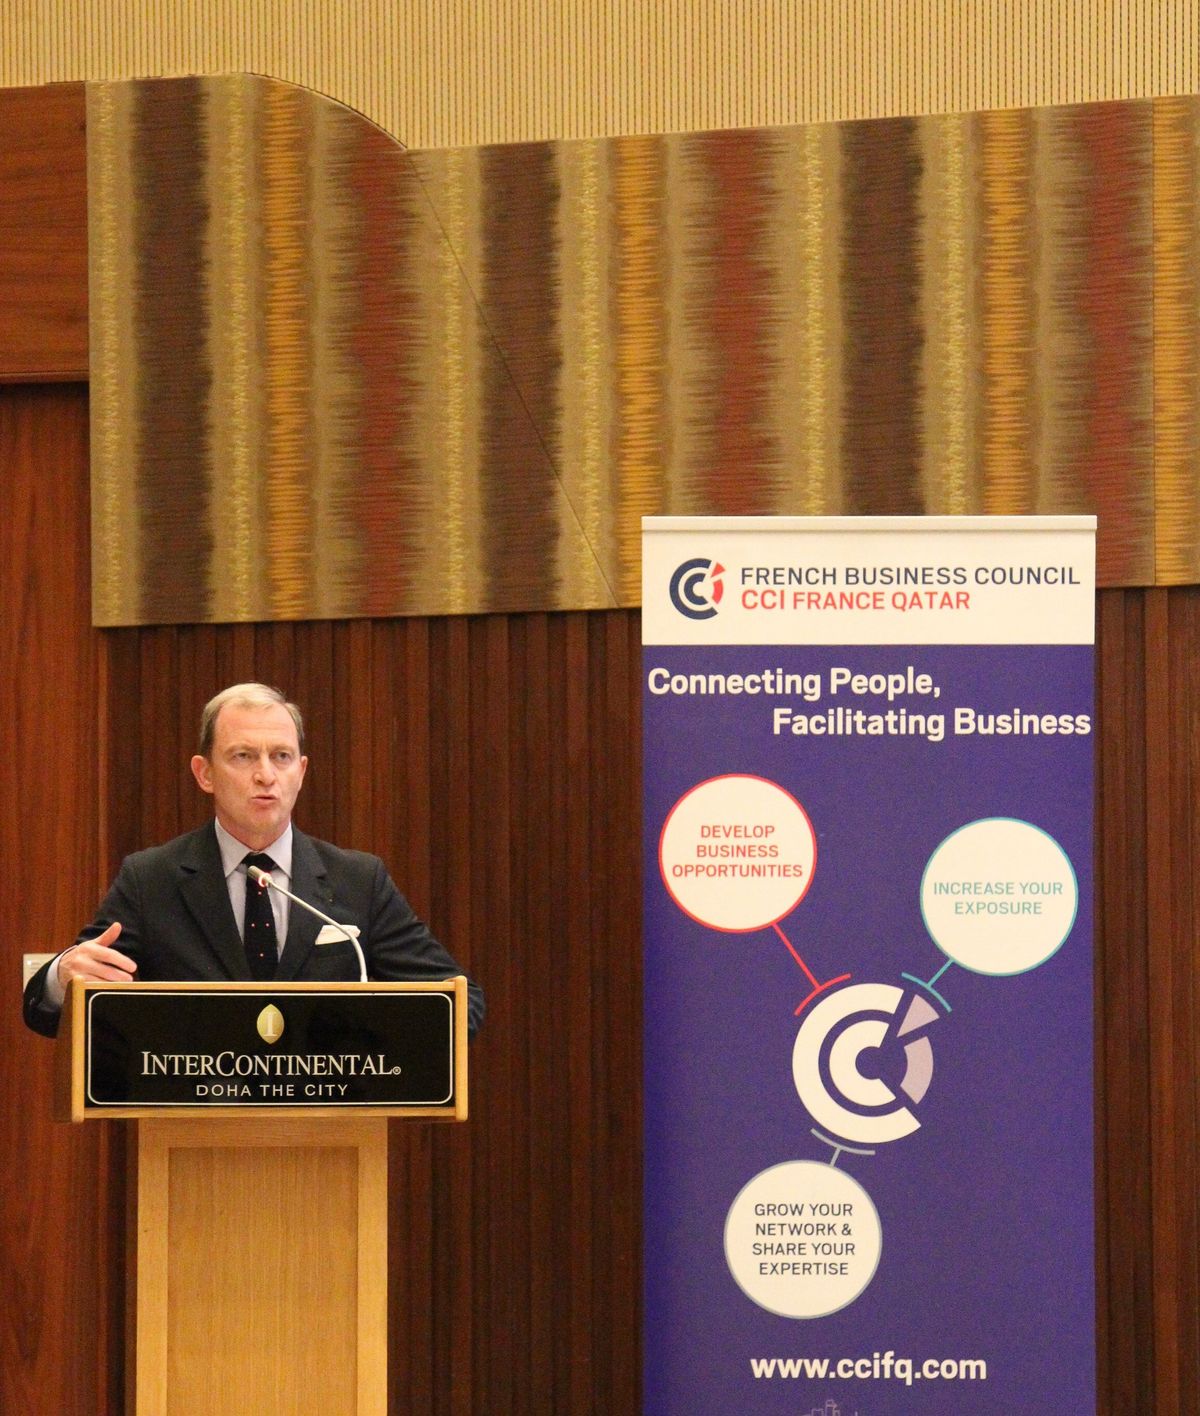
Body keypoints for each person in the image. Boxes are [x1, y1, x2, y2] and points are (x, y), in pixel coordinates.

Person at [23, 682, 484, 1038]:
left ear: (301, 772)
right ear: (205, 773)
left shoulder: (358, 881)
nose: (265, 775)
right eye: (243, 756)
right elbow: (47, 1010)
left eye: (281, 756)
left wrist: (362, 1037)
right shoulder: (151, 880)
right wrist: (63, 977)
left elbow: (461, 1006)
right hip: (195, 1120)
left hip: (325, 1120)